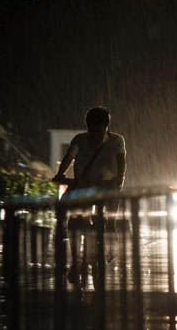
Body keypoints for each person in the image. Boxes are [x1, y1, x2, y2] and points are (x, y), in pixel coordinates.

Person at [52, 107, 126, 285]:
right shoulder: (79, 140)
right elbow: (69, 158)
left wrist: (118, 181)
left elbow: (121, 163)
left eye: (99, 130)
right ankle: (75, 262)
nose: (95, 134)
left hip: (107, 188)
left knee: (109, 223)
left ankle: (108, 248)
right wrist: (60, 173)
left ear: (106, 127)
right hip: (83, 187)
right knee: (74, 223)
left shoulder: (117, 141)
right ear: (87, 126)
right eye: (92, 130)